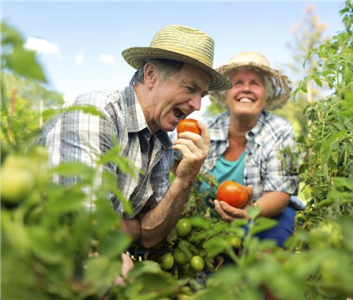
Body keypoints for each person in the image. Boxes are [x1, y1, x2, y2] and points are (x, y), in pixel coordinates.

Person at [36, 25, 232, 248]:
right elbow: (86, 227)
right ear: (150, 75)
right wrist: (133, 227)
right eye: (190, 88)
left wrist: (185, 180)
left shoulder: (162, 143)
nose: (197, 105)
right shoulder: (97, 114)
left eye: (202, 95)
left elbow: (150, 236)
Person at [198, 52, 303, 248]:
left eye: (255, 83)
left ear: (267, 95)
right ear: (225, 94)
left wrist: (251, 211)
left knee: (265, 254)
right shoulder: (205, 129)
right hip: (207, 222)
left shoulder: (279, 130)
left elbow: (279, 192)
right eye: (237, 83)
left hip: (264, 217)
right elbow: (175, 165)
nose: (246, 89)